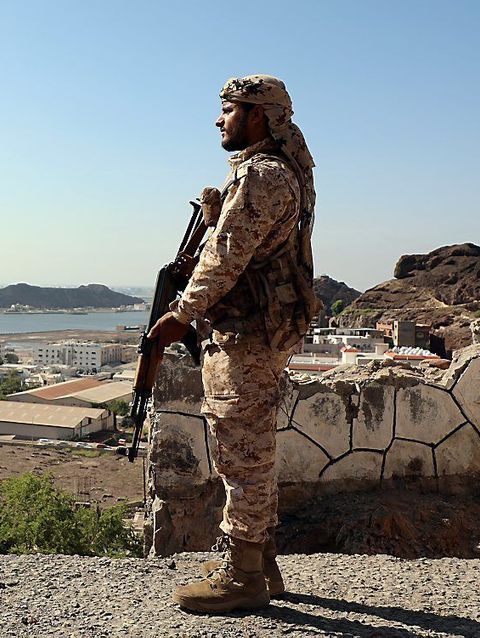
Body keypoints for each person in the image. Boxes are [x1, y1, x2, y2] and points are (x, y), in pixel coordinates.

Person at [147, 74, 319, 613]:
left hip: (247, 333)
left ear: (258, 115)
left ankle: (243, 575)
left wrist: (181, 315)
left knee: (242, 450)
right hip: (256, 327)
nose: (219, 120)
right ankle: (260, 560)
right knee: (248, 443)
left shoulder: (263, 176)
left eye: (228, 109)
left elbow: (224, 260)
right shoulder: (277, 171)